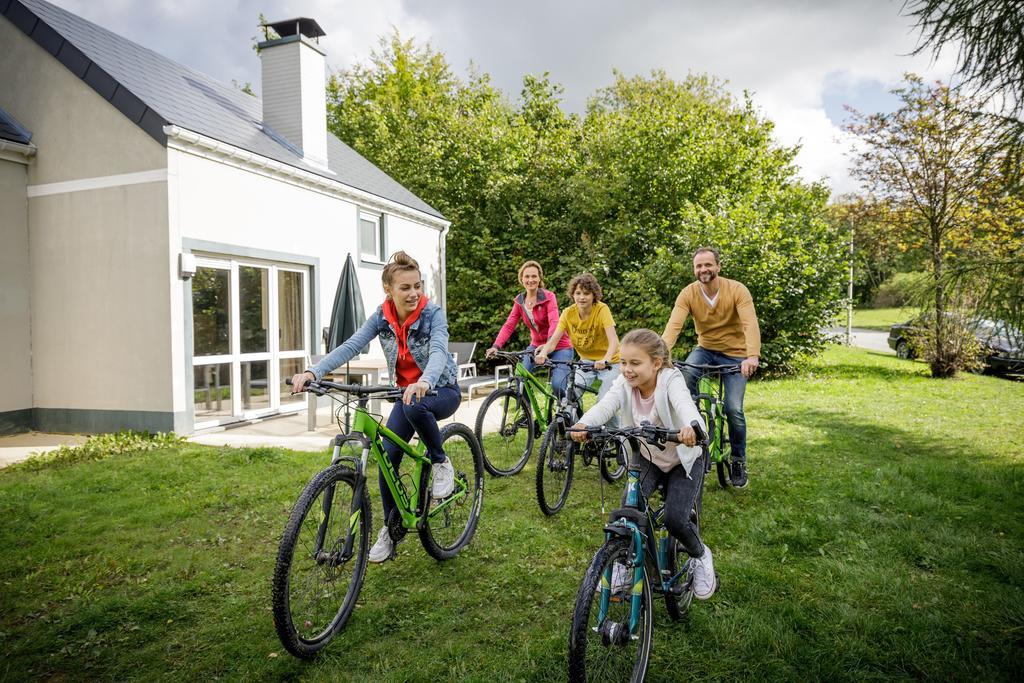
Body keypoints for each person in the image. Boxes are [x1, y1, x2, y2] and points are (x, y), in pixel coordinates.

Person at [291, 251, 461, 563]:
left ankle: (440, 461)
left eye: (417, 286)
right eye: (405, 288)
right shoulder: (381, 317)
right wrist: (314, 371)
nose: (413, 293)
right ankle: (390, 528)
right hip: (405, 395)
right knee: (387, 459)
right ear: (389, 290)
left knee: (414, 406)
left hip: (440, 389)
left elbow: (438, 350)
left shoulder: (433, 314)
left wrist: (424, 380)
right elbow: (351, 345)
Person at [569, 329, 717, 600]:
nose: (627, 369)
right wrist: (584, 424)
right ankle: (631, 560)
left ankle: (700, 555)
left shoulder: (670, 379)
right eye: (623, 362)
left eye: (635, 363)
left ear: (656, 363)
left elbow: (686, 406)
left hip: (682, 460)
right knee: (629, 511)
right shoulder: (625, 383)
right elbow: (606, 405)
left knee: (675, 518)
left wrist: (692, 429)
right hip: (647, 457)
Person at [662, 247, 760, 488]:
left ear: (718, 266)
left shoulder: (737, 290)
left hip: (736, 355)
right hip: (705, 349)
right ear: (694, 269)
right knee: (682, 387)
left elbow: (750, 323)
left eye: (708, 265)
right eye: (698, 266)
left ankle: (738, 459)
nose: (703, 270)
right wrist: (661, 355)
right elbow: (674, 325)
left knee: (733, 409)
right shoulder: (688, 293)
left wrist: (752, 356)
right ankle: (695, 432)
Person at [534, 272, 621, 416]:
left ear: (594, 295)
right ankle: (579, 426)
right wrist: (543, 353)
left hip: (611, 362)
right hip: (586, 362)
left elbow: (614, 340)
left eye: (586, 293)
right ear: (572, 294)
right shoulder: (568, 313)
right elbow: (553, 341)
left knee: (604, 402)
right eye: (578, 293)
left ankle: (614, 435)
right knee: (570, 392)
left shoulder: (601, 309)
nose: (581, 297)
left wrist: (605, 359)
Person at [485, 260, 574, 397]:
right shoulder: (520, 301)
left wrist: (547, 347)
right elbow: (509, 325)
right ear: (521, 279)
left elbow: (554, 322)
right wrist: (496, 346)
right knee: (520, 378)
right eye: (527, 276)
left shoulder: (549, 297)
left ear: (539, 278)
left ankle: (568, 412)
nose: (530, 280)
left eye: (534, 276)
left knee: (558, 385)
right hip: (536, 346)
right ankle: (527, 414)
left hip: (559, 346)